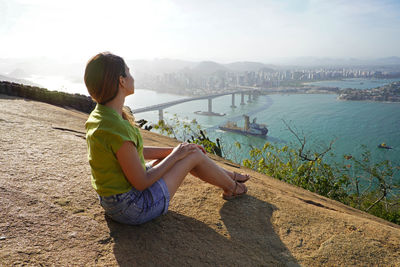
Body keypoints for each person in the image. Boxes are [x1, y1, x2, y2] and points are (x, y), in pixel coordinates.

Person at [84, 52, 249, 225]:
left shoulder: (100, 116)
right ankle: (232, 188)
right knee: (192, 155)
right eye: (129, 72)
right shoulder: (117, 128)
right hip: (133, 208)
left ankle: (229, 177)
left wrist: (175, 151)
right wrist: (177, 155)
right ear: (121, 81)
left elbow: (131, 154)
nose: (133, 77)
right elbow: (142, 182)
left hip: (114, 202)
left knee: (188, 152)